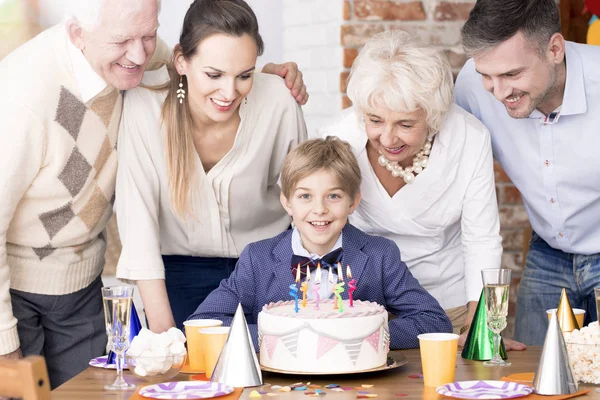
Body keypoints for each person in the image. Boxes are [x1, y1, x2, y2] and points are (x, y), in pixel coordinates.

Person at [0, 0, 306, 387]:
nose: (140, 53)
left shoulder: (135, 59)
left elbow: (200, 56)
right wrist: (4, 344)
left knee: (89, 392)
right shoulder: (23, 95)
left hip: (82, 281)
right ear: (78, 33)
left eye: (149, 35)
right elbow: (138, 223)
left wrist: (265, 76)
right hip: (16, 284)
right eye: (125, 40)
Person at [316, 31, 526, 351]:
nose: (388, 138)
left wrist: (486, 324)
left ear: (433, 115)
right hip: (360, 308)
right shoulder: (337, 137)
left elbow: (482, 239)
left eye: (405, 124)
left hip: (448, 309)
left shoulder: (468, 138)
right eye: (375, 120)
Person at [115, 0, 308, 334]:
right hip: (176, 276)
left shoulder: (278, 101)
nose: (229, 92)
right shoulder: (144, 104)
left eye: (244, 75)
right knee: (186, 378)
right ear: (181, 61)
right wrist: (163, 334)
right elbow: (138, 222)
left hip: (269, 271)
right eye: (214, 74)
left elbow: (307, 198)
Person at [189, 137, 453, 350]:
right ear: (286, 202)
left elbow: (433, 321)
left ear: (353, 201)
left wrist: (358, 334)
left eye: (333, 196)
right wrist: (279, 334)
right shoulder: (257, 259)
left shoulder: (379, 255)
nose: (319, 209)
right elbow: (202, 325)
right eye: (305, 196)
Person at [456, 0, 600, 345]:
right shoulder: (472, 88)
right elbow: (462, 192)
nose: (499, 91)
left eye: (511, 74)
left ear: (554, 49)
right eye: (487, 75)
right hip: (548, 252)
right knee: (536, 378)